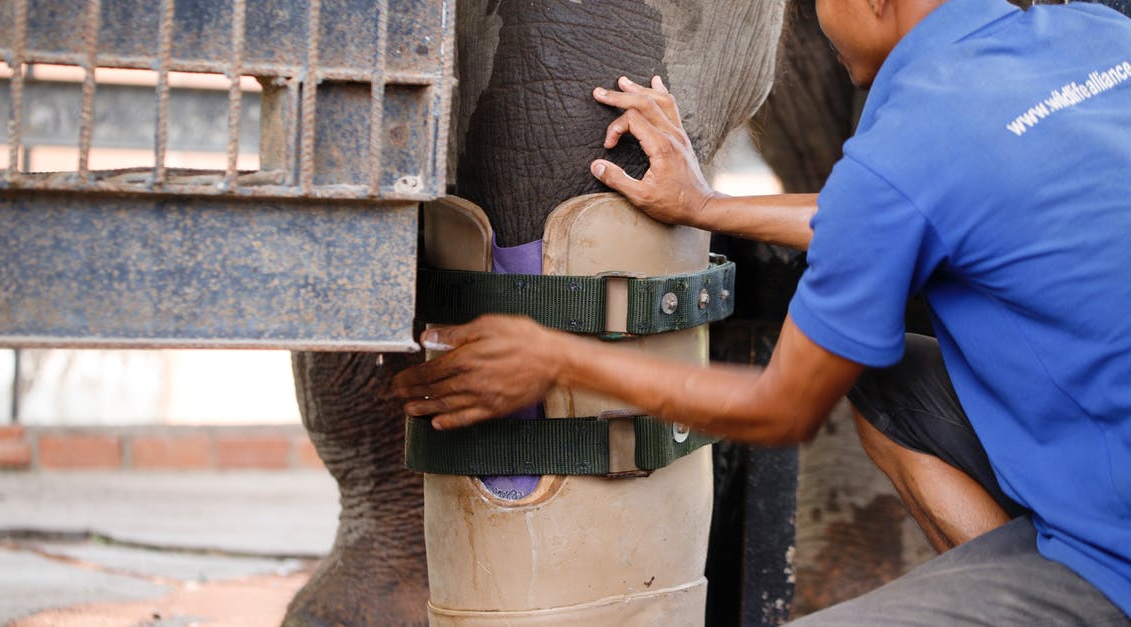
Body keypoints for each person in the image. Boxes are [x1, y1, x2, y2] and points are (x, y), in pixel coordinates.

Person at [394, 0, 1131, 622]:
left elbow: (783, 409)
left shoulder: (911, 144)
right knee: (885, 377)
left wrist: (555, 356)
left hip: (1118, 547)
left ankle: (1077, 592)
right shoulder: (1099, 38)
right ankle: (1023, 572)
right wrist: (707, 207)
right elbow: (911, 207)